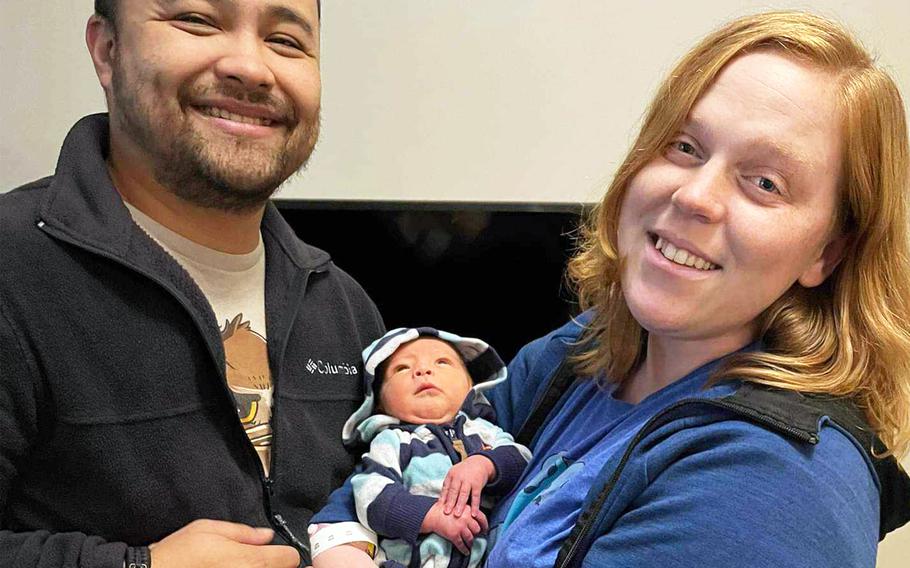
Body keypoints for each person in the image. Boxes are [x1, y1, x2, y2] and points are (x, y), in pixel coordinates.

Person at [311, 10, 910, 567]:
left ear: (827, 253)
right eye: (684, 146)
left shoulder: (774, 486)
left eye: (764, 182)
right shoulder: (587, 351)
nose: (694, 195)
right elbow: (415, 449)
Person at [0, 1, 385, 568]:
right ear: (108, 50)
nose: (252, 67)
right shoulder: (13, 267)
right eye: (198, 21)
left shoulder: (344, 309)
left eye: (285, 41)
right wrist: (137, 566)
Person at [309, 328, 531, 568]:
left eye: (442, 362)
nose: (423, 371)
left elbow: (523, 461)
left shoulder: (485, 431)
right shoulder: (392, 441)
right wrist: (431, 515)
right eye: (402, 368)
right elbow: (371, 495)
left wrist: (485, 464)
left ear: (471, 385)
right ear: (379, 402)